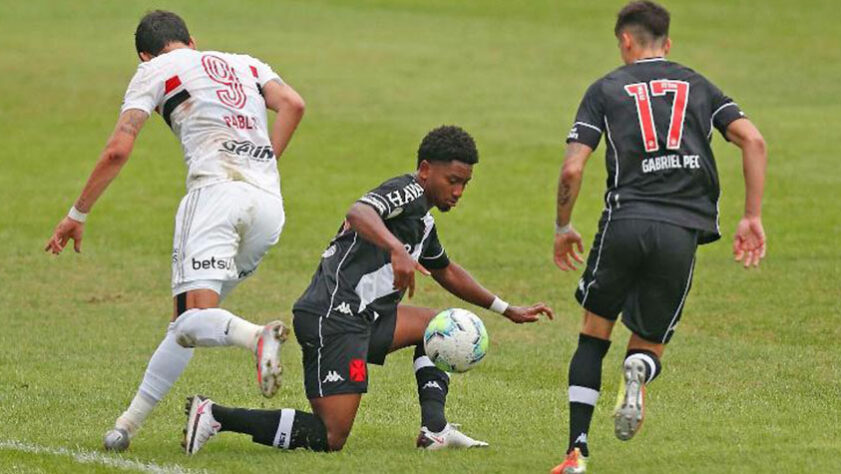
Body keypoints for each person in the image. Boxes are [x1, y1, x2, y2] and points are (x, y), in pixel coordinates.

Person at [181, 125, 555, 454]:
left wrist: (507, 309)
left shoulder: (422, 220)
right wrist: (396, 250)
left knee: (441, 325)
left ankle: (435, 430)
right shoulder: (406, 191)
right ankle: (214, 415)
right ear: (425, 170)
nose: (458, 191)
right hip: (334, 317)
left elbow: (447, 271)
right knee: (331, 436)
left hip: (367, 318)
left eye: (465, 184)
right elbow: (360, 211)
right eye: (452, 180)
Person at [43, 10, 306, 452]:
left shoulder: (153, 69)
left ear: (144, 54)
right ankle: (126, 425)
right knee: (187, 325)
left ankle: (256, 336)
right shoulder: (246, 63)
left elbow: (117, 149)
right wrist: (264, 162)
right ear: (192, 39)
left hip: (214, 198)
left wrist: (77, 214)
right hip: (268, 206)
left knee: (192, 318)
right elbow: (294, 104)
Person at [549, 2, 767, 473]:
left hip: (625, 222)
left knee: (592, 336)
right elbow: (754, 140)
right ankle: (641, 371)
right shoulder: (699, 84)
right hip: (682, 230)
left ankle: (576, 452)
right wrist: (751, 216)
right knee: (649, 342)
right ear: (666, 44)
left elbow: (572, 166)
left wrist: (563, 226)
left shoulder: (605, 88)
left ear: (625, 41)